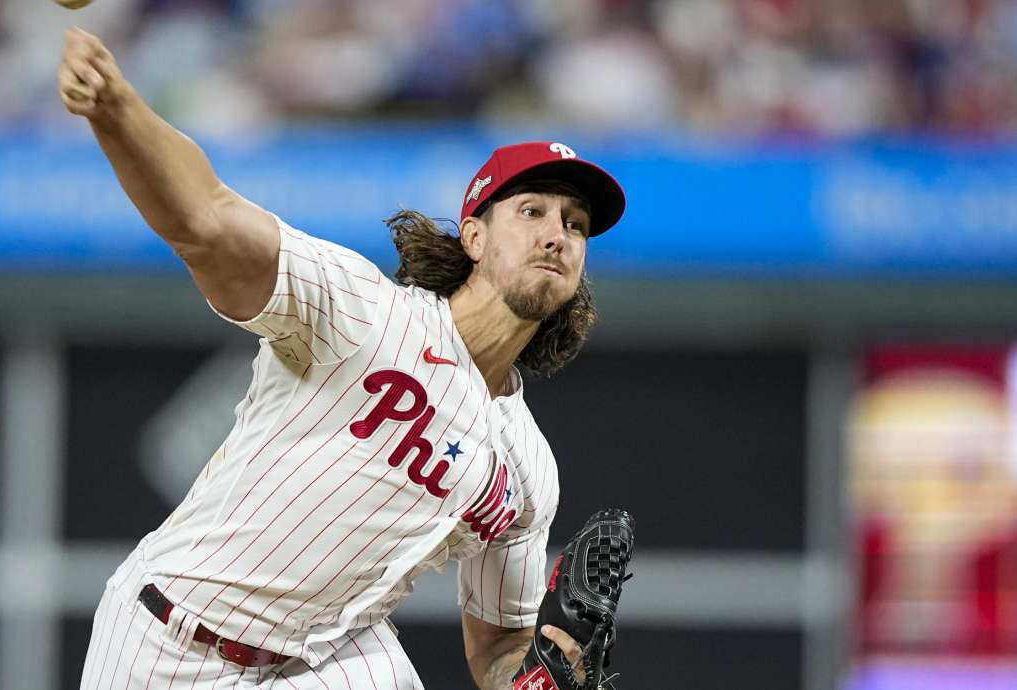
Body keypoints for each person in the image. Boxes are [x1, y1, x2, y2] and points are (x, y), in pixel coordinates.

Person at [59, 27, 626, 690]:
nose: (558, 235)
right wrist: (116, 110)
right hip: (168, 634)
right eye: (533, 211)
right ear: (473, 235)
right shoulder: (364, 313)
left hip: (324, 658)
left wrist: (542, 676)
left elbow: (498, 644)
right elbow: (207, 220)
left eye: (576, 224)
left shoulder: (527, 469)